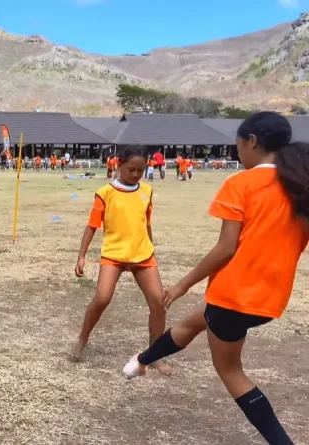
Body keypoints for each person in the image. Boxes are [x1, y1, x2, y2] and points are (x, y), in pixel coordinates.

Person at [122, 112, 309, 445]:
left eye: (238, 144)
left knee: (232, 372)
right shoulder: (300, 185)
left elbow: (225, 249)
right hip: (269, 301)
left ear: (251, 141)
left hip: (234, 296)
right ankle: (140, 361)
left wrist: (182, 284)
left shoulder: (242, 182)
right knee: (197, 321)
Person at [71, 145, 170, 374]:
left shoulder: (147, 191)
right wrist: (82, 256)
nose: (135, 175)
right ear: (119, 165)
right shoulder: (105, 193)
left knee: (158, 302)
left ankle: (154, 354)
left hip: (143, 254)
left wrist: (151, 249)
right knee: (102, 298)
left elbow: (146, 224)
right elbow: (92, 226)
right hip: (114, 255)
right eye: (131, 169)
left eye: (140, 170)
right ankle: (82, 339)